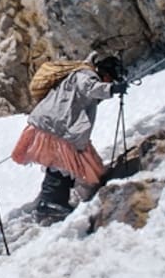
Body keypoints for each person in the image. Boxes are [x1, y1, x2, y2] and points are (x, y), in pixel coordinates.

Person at [12, 52, 127, 221]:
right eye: (112, 79)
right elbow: (90, 88)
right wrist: (112, 89)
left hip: (56, 125)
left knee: (61, 163)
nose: (111, 82)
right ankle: (50, 203)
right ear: (107, 74)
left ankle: (52, 201)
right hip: (58, 126)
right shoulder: (86, 75)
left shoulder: (82, 74)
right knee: (61, 165)